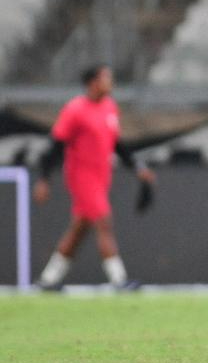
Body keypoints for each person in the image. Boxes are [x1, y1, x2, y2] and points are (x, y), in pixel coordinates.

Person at [34, 64, 155, 290]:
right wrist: (44, 178)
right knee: (103, 221)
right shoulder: (75, 110)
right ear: (92, 83)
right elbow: (55, 145)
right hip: (81, 177)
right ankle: (119, 280)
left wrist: (137, 166)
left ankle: (48, 280)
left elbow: (116, 144)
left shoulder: (110, 108)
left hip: (101, 177)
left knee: (79, 229)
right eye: (106, 78)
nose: (111, 82)